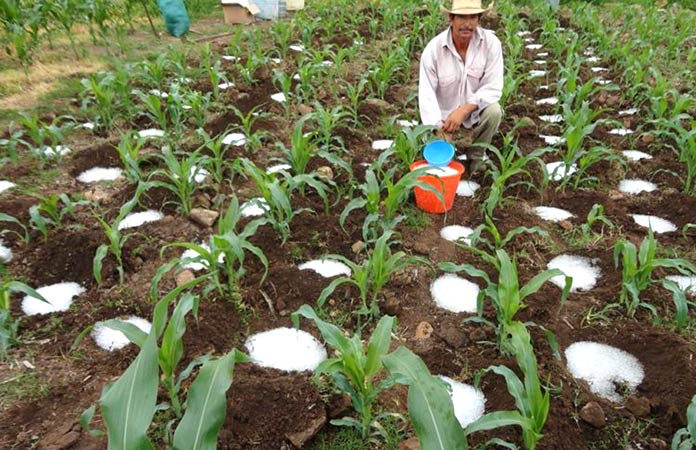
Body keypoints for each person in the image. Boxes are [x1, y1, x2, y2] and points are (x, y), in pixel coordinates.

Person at [418, 0, 503, 172]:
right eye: (462, 17)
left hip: (474, 111)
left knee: (494, 111)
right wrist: (438, 128)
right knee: (441, 160)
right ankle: (448, 155)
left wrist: (464, 110)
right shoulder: (434, 50)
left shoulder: (491, 44)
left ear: (479, 19)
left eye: (472, 17)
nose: (467, 23)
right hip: (443, 118)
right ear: (451, 18)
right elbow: (427, 95)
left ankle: (477, 156)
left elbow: (493, 86)